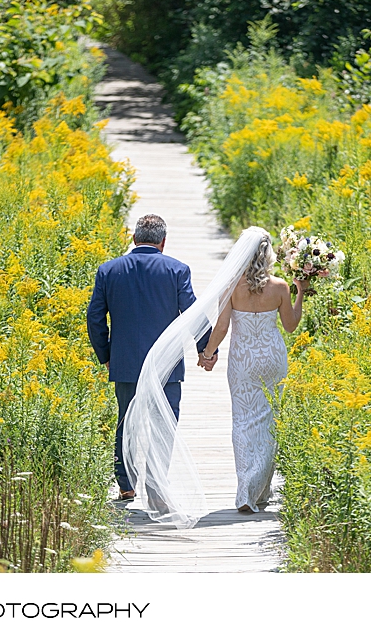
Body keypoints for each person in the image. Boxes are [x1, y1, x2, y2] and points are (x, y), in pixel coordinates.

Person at [86, 214, 213, 502]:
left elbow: (95, 317)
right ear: (163, 242)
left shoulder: (108, 270)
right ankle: (155, 485)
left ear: (134, 239)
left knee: (125, 422)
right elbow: (192, 314)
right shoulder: (177, 270)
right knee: (163, 423)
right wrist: (206, 350)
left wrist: (106, 355)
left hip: (126, 361)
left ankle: (126, 485)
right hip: (166, 364)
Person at [199, 229, 306, 513]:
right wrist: (301, 293)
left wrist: (208, 354)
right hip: (272, 357)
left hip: (243, 360)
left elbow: (221, 328)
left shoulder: (232, 288)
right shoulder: (281, 287)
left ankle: (247, 489)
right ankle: (260, 491)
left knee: (244, 421)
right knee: (270, 419)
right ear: (268, 255)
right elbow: (291, 325)